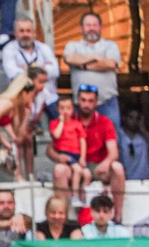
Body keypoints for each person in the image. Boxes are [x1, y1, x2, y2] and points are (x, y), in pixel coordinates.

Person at [54, 87, 127, 220]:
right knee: (59, 170)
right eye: (83, 100)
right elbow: (49, 150)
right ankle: (62, 217)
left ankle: (118, 216)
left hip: (97, 167)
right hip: (75, 166)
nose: (86, 104)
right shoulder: (67, 119)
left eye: (90, 101)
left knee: (117, 168)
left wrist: (106, 163)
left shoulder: (105, 122)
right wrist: (58, 157)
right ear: (77, 100)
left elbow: (113, 152)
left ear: (96, 102)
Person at [63, 13, 123, 128]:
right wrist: (95, 58)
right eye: (88, 25)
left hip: (107, 102)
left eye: (95, 25)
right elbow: (70, 58)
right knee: (81, 137)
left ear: (100, 27)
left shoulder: (111, 45)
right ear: (81, 28)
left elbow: (110, 63)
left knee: (113, 135)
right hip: (81, 105)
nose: (91, 28)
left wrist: (84, 65)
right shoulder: (72, 46)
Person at [4, 17, 59, 115]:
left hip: (48, 98)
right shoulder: (9, 49)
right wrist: (41, 69)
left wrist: (26, 69)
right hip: (23, 99)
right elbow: (12, 74)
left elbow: (55, 71)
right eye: (21, 31)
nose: (25, 34)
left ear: (34, 33)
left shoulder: (44, 48)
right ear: (15, 33)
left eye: (28, 31)